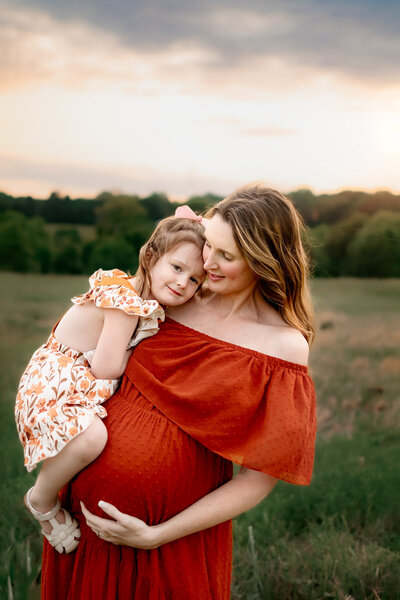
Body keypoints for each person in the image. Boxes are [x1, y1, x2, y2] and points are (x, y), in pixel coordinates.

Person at [41, 183, 316, 600]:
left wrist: (156, 535)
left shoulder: (282, 347)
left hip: (166, 541)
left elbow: (258, 481)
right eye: (210, 247)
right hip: (84, 525)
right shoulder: (176, 297)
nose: (209, 263)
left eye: (226, 256)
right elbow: (156, 255)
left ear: (264, 261)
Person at [15, 208, 206, 554]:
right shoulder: (124, 302)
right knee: (92, 438)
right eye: (177, 268)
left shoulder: (140, 300)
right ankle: (41, 499)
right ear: (150, 258)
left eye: (195, 280)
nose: (182, 283)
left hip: (71, 379)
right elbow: (106, 367)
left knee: (92, 437)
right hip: (53, 383)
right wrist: (138, 358)